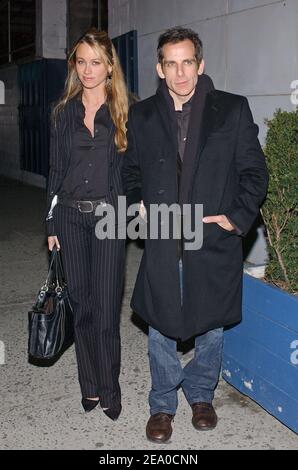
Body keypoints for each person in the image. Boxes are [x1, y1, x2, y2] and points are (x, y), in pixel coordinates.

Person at [122, 26, 268, 442]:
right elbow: (131, 171)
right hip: (165, 237)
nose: (180, 72)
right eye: (171, 63)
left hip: (213, 239)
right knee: (161, 323)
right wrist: (138, 203)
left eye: (188, 62)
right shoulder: (143, 115)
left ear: (200, 65)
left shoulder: (232, 109)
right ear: (160, 68)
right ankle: (162, 403)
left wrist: (235, 218)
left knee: (210, 324)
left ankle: (202, 395)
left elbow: (254, 173)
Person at [46, 28, 128, 421]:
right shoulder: (63, 111)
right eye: (81, 61)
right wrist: (49, 223)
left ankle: (111, 390)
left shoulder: (127, 110)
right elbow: (56, 170)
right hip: (69, 218)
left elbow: (134, 170)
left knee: (107, 308)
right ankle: (90, 385)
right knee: (82, 307)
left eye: (96, 61)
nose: (88, 69)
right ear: (74, 65)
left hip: (109, 217)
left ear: (110, 66)